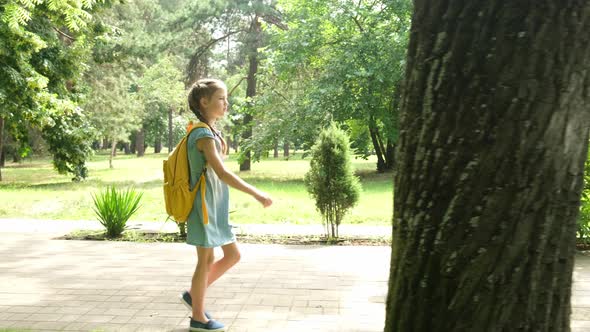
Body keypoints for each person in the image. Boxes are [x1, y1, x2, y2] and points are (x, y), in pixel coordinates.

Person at [180, 78, 272, 332]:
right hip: (204, 207)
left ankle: (193, 296)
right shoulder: (201, 134)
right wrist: (256, 193)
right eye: (220, 98)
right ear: (204, 102)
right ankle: (198, 317)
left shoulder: (210, 131)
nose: (226, 103)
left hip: (215, 205)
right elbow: (222, 173)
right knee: (206, 260)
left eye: (225, 98)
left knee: (232, 255)